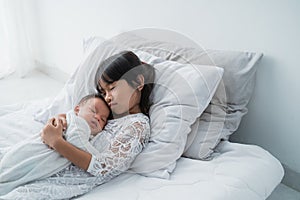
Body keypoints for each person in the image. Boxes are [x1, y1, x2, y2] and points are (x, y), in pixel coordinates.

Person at [0, 51, 155, 199]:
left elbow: (104, 168)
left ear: (139, 82)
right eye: (103, 92)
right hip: (45, 157)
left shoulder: (137, 126)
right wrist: (61, 120)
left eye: (112, 88)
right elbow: (79, 118)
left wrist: (56, 141)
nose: (107, 97)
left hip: (61, 178)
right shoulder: (109, 113)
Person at [0, 94, 112, 195]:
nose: (97, 118)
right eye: (93, 111)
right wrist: (98, 159)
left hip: (38, 156)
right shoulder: (78, 123)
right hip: (39, 152)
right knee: (12, 174)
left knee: (13, 173)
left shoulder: (79, 126)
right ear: (77, 110)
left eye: (102, 119)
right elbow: (76, 139)